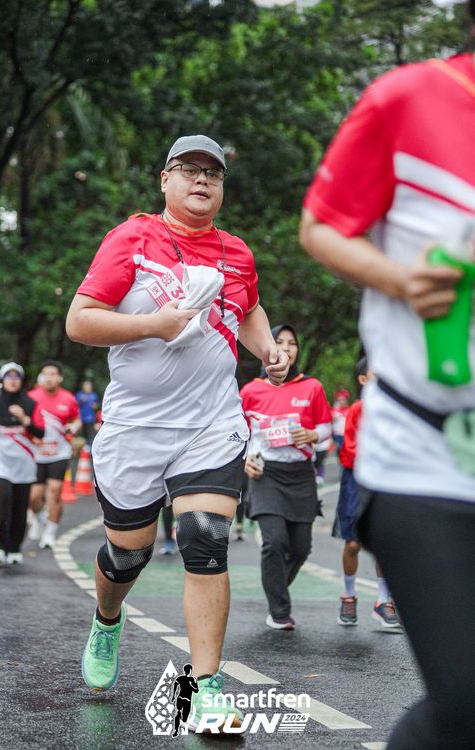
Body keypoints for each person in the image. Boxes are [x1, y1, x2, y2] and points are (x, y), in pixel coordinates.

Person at [66, 134, 289, 730]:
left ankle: (205, 687)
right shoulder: (132, 238)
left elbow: (250, 308)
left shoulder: (237, 252)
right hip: (135, 427)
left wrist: (265, 347)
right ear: (165, 180)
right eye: (189, 170)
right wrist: (153, 325)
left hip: (210, 423)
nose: (202, 180)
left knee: (204, 538)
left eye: (212, 173)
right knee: (127, 555)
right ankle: (107, 620)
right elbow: (80, 322)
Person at [300, 4, 475, 745]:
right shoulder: (409, 97)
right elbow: (320, 225)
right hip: (423, 452)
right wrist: (401, 280)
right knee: (467, 701)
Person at [240, 324, 332, 630]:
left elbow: (326, 428)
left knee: (301, 548)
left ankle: (275, 585)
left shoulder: (312, 387)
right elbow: (237, 433)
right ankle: (279, 610)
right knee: (275, 542)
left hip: (301, 474)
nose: (286, 348)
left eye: (292, 343)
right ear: (267, 347)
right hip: (265, 472)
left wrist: (312, 434)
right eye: (279, 341)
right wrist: (244, 460)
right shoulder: (250, 391)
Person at [333, 357, 401, 629]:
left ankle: (383, 601)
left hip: (387, 480)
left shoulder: (395, 410)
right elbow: (348, 451)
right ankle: (348, 595)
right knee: (352, 543)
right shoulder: (358, 409)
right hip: (357, 480)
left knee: (385, 541)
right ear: (363, 380)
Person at [0, 363, 44, 564]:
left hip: (23, 460)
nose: (13, 380)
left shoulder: (30, 403)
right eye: (8, 376)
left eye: (16, 377)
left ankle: (14, 548)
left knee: (20, 503)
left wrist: (24, 419)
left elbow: (41, 432)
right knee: (3, 496)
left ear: (21, 381)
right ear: (2, 380)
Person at [27, 361, 82, 550]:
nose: (49, 378)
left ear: (59, 377)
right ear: (40, 377)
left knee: (55, 491)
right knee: (34, 497)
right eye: (45, 374)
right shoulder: (31, 397)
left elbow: (77, 419)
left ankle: (50, 532)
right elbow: (23, 423)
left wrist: (74, 426)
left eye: (52, 374)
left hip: (60, 452)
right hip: (37, 453)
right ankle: (38, 517)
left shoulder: (68, 398)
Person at [171, 663, 199, 736]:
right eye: (187, 670)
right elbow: (175, 685)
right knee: (178, 713)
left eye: (188, 670)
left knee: (184, 717)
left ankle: (180, 724)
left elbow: (196, 690)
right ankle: (176, 730)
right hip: (181, 699)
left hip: (186, 700)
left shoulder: (192, 679)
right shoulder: (181, 678)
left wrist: (191, 685)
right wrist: (173, 696)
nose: (187, 671)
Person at [75, 380, 100, 446]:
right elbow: (75, 405)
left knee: (90, 434)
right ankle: (82, 447)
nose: (87, 387)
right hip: (80, 418)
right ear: (83, 387)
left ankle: (90, 447)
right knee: (81, 435)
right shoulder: (79, 394)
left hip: (90, 418)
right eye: (85, 385)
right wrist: (81, 401)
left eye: (88, 385)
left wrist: (95, 406)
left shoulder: (94, 395)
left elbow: (97, 406)